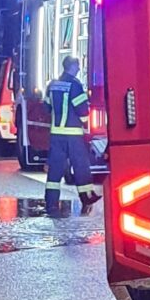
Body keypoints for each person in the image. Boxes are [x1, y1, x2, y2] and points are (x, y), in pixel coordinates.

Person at [42, 53, 98, 216]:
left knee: (55, 171)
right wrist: (85, 122)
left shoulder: (52, 85)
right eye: (78, 66)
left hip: (56, 135)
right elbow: (83, 111)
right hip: (73, 135)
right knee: (81, 166)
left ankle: (51, 204)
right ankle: (87, 198)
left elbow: (46, 107)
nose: (79, 69)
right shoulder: (75, 85)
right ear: (72, 67)